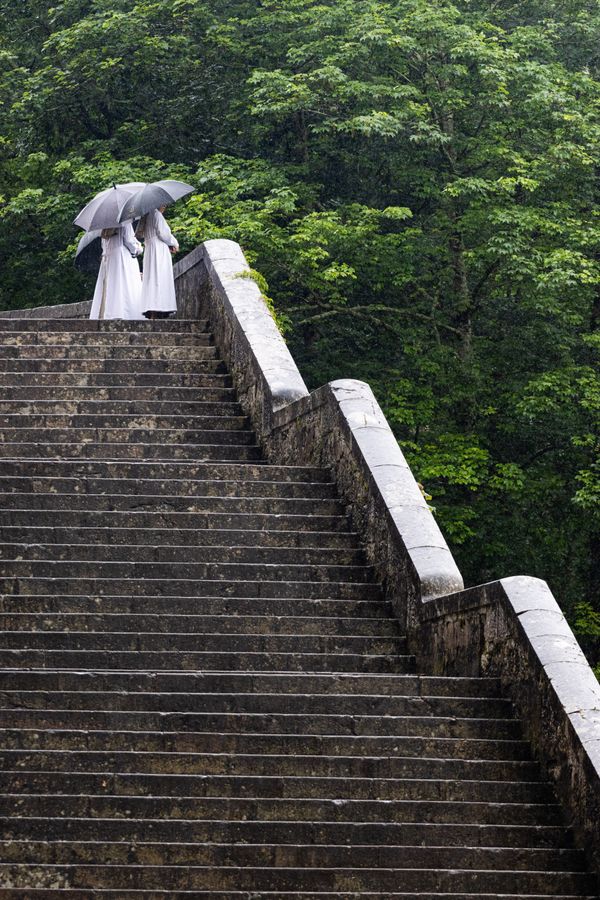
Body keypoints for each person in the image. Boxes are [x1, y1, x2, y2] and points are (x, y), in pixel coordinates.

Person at [89, 222, 143, 320]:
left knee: (110, 286)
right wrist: (139, 248)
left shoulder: (104, 226)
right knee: (124, 285)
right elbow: (130, 241)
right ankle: (124, 314)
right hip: (121, 256)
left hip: (108, 256)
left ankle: (108, 313)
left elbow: (103, 245)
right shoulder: (125, 222)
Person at [137, 206, 179, 319]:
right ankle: (160, 307)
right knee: (160, 277)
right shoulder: (156, 214)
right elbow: (164, 233)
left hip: (149, 249)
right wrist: (174, 243)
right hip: (158, 249)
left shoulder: (144, 216)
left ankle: (151, 309)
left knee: (151, 279)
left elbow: (141, 234)